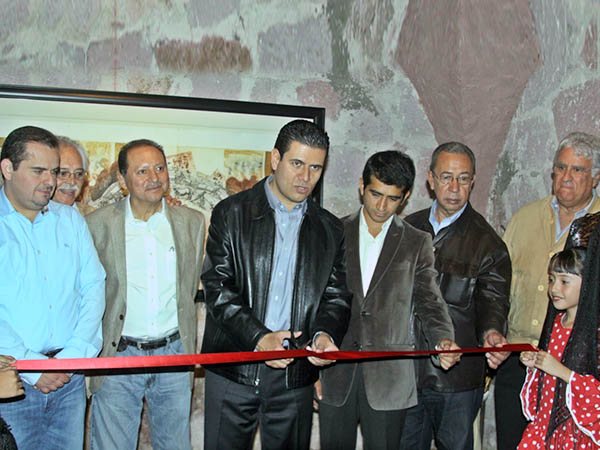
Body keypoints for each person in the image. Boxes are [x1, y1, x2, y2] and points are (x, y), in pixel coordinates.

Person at [201, 119, 352, 450]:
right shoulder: (230, 213)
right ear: (275, 159)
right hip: (233, 368)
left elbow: (336, 296)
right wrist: (259, 338)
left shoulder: (330, 229)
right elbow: (217, 287)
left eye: (315, 168)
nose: (305, 177)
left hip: (293, 375)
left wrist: (324, 336)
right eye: (297, 163)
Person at [317, 150, 458, 450]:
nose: (381, 206)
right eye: (375, 194)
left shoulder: (416, 242)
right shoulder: (333, 232)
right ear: (361, 186)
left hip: (389, 377)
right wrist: (309, 370)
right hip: (335, 371)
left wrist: (443, 339)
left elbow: (429, 301)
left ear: (405, 197)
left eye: (392, 199)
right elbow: (315, 300)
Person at [86, 139, 205, 450]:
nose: (154, 177)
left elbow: (190, 286)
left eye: (160, 168)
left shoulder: (191, 222)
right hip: (119, 354)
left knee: (175, 445)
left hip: (174, 353)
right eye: (142, 171)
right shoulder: (97, 225)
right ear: (122, 180)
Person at [0, 125, 106, 450]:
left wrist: (71, 359)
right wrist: (33, 367)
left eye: (54, 171)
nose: (51, 181)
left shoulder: (71, 220)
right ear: (7, 168)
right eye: (38, 171)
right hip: (11, 382)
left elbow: (93, 287)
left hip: (69, 382)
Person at [400, 142, 511, 450]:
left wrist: (492, 332)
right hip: (407, 372)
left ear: (473, 181)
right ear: (430, 179)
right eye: (446, 177)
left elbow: (494, 301)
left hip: (457, 380)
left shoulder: (488, 243)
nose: (454, 187)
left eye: (463, 178)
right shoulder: (407, 229)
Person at [496, 131, 600, 450]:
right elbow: (497, 286)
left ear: (596, 177)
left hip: (581, 363)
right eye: (561, 167)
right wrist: (495, 333)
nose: (566, 176)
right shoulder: (524, 218)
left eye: (577, 169)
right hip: (522, 358)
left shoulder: (597, 226)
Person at [518, 244, 600, 449]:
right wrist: (535, 364)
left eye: (564, 281)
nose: (554, 288)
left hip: (576, 434)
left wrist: (563, 372)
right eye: (551, 280)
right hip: (545, 426)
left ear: (589, 283)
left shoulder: (594, 333)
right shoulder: (555, 324)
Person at [52, 136, 93, 214]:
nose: (72, 182)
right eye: (63, 173)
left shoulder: (92, 216)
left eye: (79, 174)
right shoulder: (30, 216)